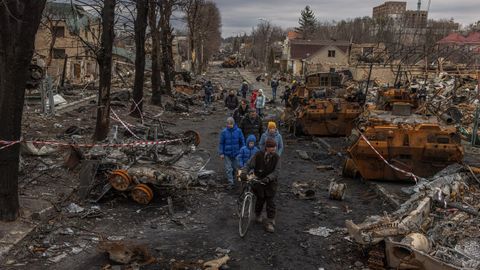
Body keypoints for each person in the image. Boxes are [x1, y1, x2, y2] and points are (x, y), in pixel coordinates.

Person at [241, 138, 280, 233]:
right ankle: (258, 215)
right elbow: (249, 164)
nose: (273, 149)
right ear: (266, 147)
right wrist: (244, 172)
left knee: (270, 203)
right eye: (271, 148)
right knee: (260, 200)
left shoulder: (276, 157)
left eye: (274, 148)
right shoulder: (258, 155)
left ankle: (270, 222)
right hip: (258, 182)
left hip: (270, 183)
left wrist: (268, 178)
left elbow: (276, 171)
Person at [219, 117, 245, 188]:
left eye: (231, 124)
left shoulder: (238, 131)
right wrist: (221, 153)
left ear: (233, 124)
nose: (229, 125)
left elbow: (242, 141)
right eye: (228, 124)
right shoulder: (224, 132)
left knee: (235, 167)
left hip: (236, 153)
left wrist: (243, 150)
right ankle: (231, 182)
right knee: (228, 168)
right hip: (227, 154)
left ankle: (234, 177)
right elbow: (221, 143)